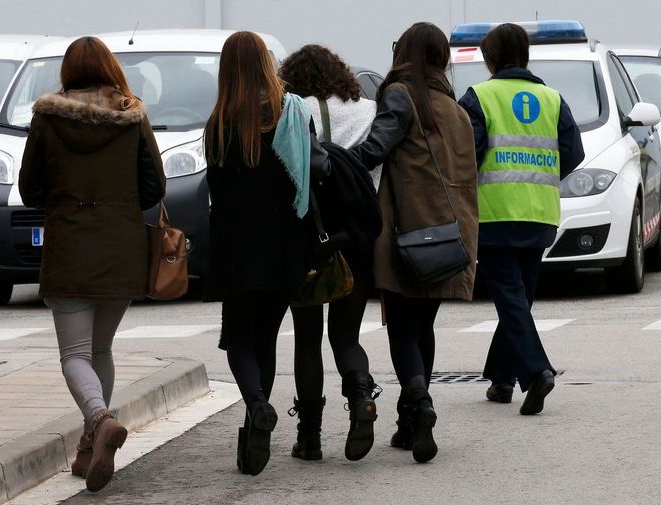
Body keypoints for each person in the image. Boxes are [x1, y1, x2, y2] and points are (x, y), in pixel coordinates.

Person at [18, 36, 165, 492]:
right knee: (100, 350)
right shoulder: (132, 114)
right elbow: (154, 184)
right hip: (121, 246)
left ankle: (100, 418)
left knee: (74, 355)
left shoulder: (47, 117)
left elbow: (30, 188)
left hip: (69, 245)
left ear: (69, 70)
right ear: (109, 68)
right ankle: (89, 447)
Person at [350, 22, 479, 463]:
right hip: (449, 235)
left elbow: (376, 148)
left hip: (406, 233)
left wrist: (336, 159)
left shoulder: (400, 95)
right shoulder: (456, 110)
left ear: (403, 52)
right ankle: (410, 423)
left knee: (403, 328)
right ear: (442, 57)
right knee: (423, 326)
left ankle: (420, 404)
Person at [203, 31, 327, 476]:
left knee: (239, 339)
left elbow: (217, 193)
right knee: (267, 339)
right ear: (265, 63)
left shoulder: (218, 124)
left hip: (238, 248)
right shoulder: (291, 114)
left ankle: (257, 406)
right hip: (285, 247)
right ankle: (254, 422)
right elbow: (307, 175)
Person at [458, 23, 584, 415]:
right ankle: (501, 378)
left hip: (495, 213)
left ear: (490, 58)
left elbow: (467, 155)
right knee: (519, 298)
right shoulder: (552, 99)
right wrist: (540, 175)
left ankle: (535, 371)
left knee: (511, 297)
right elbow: (573, 152)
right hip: (540, 213)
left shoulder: (479, 97)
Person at [278, 45, 380, 462]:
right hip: (357, 234)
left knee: (307, 337)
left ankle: (310, 436)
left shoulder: (294, 109)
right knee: (346, 333)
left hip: (310, 236)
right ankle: (361, 398)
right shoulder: (367, 110)